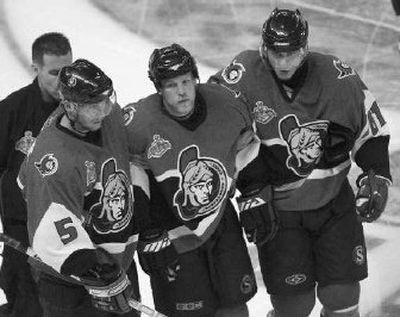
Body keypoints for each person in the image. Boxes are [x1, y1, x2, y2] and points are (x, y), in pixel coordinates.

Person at [209, 8, 391, 317]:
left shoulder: (337, 77)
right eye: (275, 53)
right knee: (294, 306)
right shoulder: (244, 74)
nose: (282, 62)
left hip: (334, 205)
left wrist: (376, 176)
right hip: (280, 213)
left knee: (342, 298)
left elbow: (370, 131)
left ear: (304, 48)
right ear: (263, 48)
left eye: (291, 53)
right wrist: (252, 188)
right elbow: (215, 122)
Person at [124, 43, 259, 317]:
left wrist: (255, 191)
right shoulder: (136, 124)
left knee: (235, 309)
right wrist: (148, 231)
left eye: (186, 81)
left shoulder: (227, 104)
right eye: (172, 85)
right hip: (172, 236)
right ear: (158, 88)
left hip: (221, 222)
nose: (182, 91)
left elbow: (249, 144)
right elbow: (122, 174)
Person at [17, 59, 146, 316]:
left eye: (107, 98)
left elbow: (131, 158)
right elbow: (49, 225)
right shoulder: (55, 160)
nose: (105, 109)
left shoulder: (107, 117)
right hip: (71, 281)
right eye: (94, 105)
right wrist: (92, 268)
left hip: (115, 264)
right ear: (70, 106)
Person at [0, 32, 72, 317]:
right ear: (36, 68)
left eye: (67, 70)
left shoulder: (80, 110)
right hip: (22, 236)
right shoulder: (10, 111)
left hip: (69, 233)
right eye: (54, 72)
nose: (62, 80)